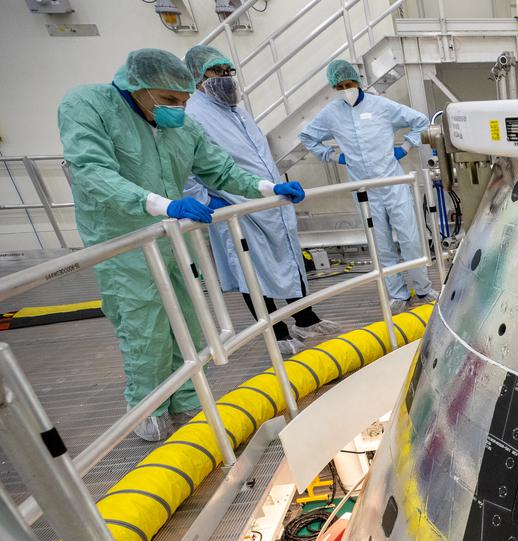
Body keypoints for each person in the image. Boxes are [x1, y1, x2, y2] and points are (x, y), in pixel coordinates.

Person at [58, 48, 308, 442]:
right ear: (139, 87)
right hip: (123, 241)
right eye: (171, 100)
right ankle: (148, 406)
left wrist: (268, 187)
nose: (181, 107)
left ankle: (191, 397)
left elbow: (220, 169)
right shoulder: (89, 105)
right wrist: (162, 204)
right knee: (145, 326)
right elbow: (91, 172)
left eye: (185, 99)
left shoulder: (182, 127)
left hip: (174, 238)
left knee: (191, 320)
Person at [182, 46, 341, 356]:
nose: (226, 78)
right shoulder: (192, 115)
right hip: (235, 207)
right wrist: (204, 199)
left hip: (268, 199)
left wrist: (275, 186)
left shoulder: (237, 111)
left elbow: (257, 154)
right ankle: (276, 333)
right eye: (217, 73)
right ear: (198, 78)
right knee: (251, 271)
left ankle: (305, 318)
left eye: (229, 72)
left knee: (287, 261)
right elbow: (186, 167)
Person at [298, 59, 433, 312]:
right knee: (381, 244)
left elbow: (420, 121)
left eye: (349, 84)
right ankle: (398, 294)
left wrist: (405, 147)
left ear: (358, 82)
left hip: (392, 182)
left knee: (410, 238)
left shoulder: (381, 105)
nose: (345, 90)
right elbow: (307, 137)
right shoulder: (331, 114)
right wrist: (333, 156)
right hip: (363, 190)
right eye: (340, 86)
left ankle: (423, 288)